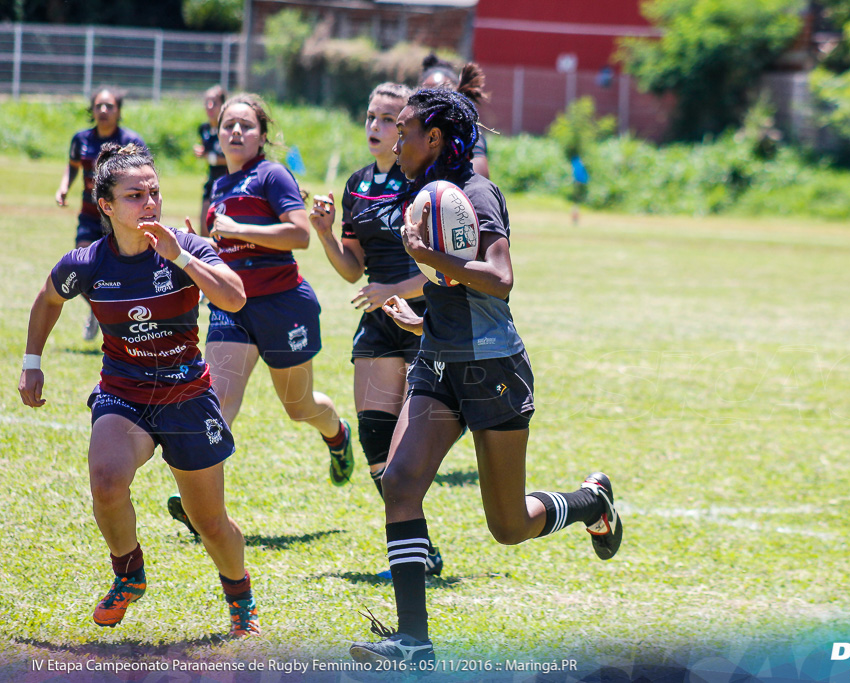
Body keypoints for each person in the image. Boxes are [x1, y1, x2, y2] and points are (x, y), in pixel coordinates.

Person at [347, 87, 623, 665]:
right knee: (399, 484)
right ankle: (414, 642)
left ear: (436, 139)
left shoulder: (475, 192)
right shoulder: (422, 192)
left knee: (508, 524)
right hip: (440, 364)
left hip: (493, 368)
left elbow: (498, 278)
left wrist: (429, 257)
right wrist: (423, 320)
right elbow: (451, 286)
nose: (397, 138)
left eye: (407, 128)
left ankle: (591, 502)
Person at [20, 143, 260, 637]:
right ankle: (128, 573)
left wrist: (181, 257)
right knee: (106, 481)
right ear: (105, 205)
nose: (149, 203)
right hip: (124, 394)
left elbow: (234, 297)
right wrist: (32, 362)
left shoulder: (185, 247)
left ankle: (240, 596)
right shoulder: (86, 263)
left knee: (210, 522)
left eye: (154, 192)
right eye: (134, 195)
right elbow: (47, 300)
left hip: (186, 396)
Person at [167, 93, 352, 537]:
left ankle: (339, 434)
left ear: (262, 135)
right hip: (233, 307)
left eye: (246, 126)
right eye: (228, 124)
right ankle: (201, 506)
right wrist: (204, 245)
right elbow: (230, 250)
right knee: (217, 402)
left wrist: (234, 229)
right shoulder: (219, 185)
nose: (235, 132)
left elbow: (299, 235)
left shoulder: (272, 174)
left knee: (298, 406)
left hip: (283, 305)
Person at [309, 82, 443, 576]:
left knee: (410, 446)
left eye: (388, 119)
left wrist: (392, 290)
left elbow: (439, 268)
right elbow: (352, 268)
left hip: (423, 318)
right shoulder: (357, 184)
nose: (376, 127)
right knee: (373, 439)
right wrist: (324, 234)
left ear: (407, 128)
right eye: (371, 116)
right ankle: (421, 546)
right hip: (376, 321)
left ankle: (413, 549)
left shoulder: (423, 184)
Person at [54, 86, 147, 340]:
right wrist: (64, 188)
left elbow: (145, 177)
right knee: (82, 264)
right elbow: (73, 166)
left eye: (109, 106)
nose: (104, 110)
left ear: (119, 111)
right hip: (90, 214)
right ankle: (99, 309)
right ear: (92, 110)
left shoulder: (131, 141)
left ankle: (117, 315)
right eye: (99, 106)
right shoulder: (81, 140)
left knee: (119, 267)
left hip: (119, 218)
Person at [419, 54, 491, 179]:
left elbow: (478, 180)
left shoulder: (467, 134)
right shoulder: (408, 132)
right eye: (427, 92)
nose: (433, 99)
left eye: (442, 92)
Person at [193, 85, 228, 236]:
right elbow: (208, 152)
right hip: (212, 182)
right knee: (204, 229)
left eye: (214, 102)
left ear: (223, 105)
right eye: (207, 102)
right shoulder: (204, 129)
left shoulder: (229, 128)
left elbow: (234, 158)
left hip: (229, 183)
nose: (209, 106)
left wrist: (210, 157)